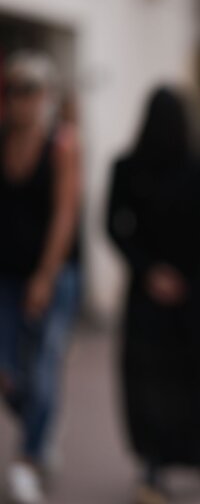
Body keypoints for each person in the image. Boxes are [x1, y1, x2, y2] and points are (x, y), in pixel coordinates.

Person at [106, 87, 200, 504]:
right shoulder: (197, 167)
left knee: (153, 382)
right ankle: (185, 456)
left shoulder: (128, 167)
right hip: (188, 295)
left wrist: (145, 270)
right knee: (188, 378)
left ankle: (157, 464)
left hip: (153, 296)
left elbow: (112, 227)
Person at [0, 51, 81, 504]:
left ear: (46, 96)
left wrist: (45, 277)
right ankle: (42, 422)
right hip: (6, 274)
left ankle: (29, 456)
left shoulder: (62, 144)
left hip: (54, 274)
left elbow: (66, 213)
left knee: (44, 365)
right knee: (9, 371)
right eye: (15, 89)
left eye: (32, 90)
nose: (23, 99)